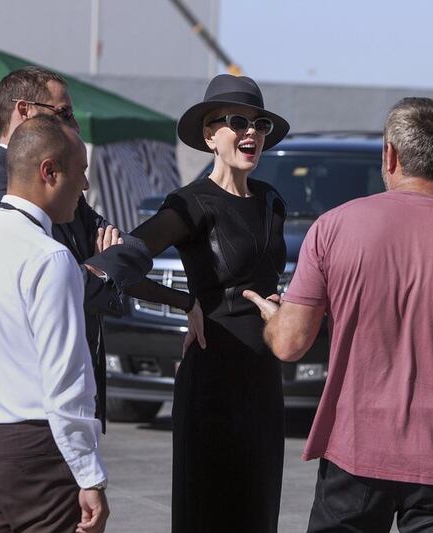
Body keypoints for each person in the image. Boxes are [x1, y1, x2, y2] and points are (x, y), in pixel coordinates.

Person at [244, 97, 433, 532]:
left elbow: (290, 344)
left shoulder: (333, 228)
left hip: (354, 456)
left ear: (389, 154)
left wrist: (271, 315)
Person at [125, 74, 290, 532]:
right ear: (209, 135)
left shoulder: (273, 201)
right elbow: (122, 265)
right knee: (208, 514)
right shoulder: (189, 204)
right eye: (237, 122)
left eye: (259, 124)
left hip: (262, 380)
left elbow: (271, 277)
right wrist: (182, 302)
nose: (251, 132)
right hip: (211, 381)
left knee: (258, 513)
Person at [0, 115, 117, 533]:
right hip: (34, 452)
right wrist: (90, 475)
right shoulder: (50, 258)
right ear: (49, 171)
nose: (85, 186)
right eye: (81, 172)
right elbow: (66, 381)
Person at [0, 66, 136, 432]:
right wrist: (96, 271)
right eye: (63, 113)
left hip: (58, 409)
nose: (73, 125)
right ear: (24, 111)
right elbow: (60, 288)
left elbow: (125, 245)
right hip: (22, 415)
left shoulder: (58, 182)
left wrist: (99, 265)